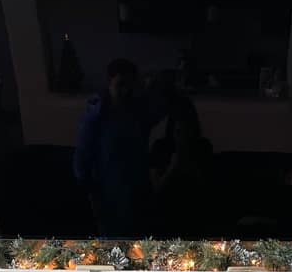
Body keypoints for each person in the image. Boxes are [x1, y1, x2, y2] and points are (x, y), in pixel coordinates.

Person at [73, 59, 168, 237]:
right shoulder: (96, 117)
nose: (126, 91)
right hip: (108, 193)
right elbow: (82, 155)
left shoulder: (139, 114)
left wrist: (154, 86)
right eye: (120, 84)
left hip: (138, 191)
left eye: (131, 85)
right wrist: (90, 192)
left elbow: (162, 108)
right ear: (109, 83)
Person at [148, 97, 214, 237]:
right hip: (166, 213)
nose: (182, 137)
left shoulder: (202, 147)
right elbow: (155, 189)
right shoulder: (161, 148)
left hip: (194, 212)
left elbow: (209, 189)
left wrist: (190, 165)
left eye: (187, 131)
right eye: (178, 131)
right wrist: (172, 168)